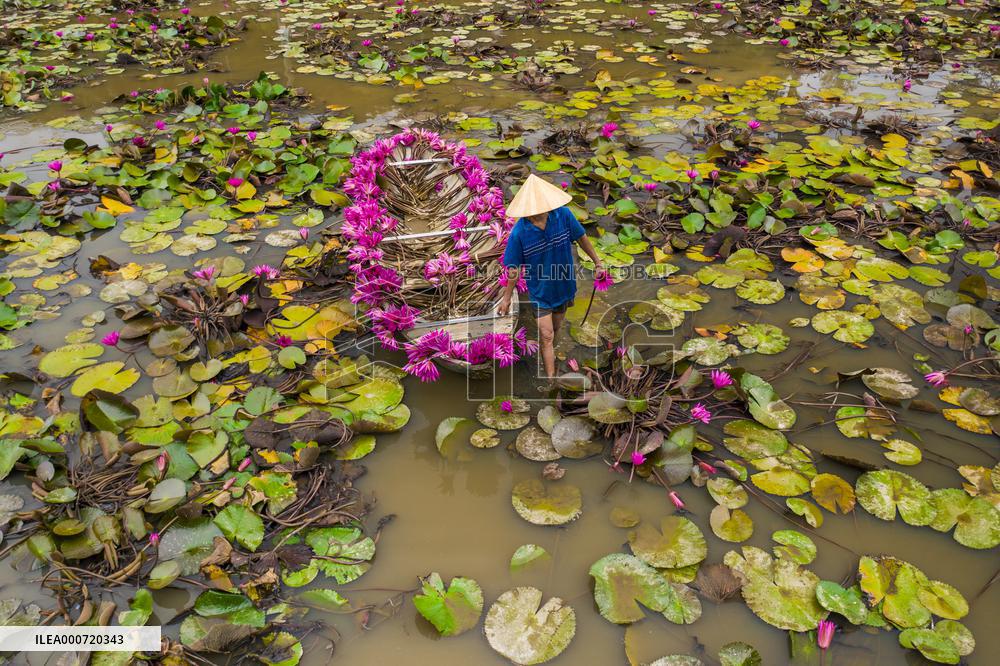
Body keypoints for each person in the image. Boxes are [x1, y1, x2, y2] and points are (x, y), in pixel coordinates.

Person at [498, 174, 605, 380]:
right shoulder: (519, 233)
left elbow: (582, 237)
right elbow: (513, 268)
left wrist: (597, 262)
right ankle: (551, 380)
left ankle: (550, 355)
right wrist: (506, 297)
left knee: (555, 329)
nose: (534, 213)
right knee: (547, 335)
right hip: (540, 291)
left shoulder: (563, 215)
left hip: (563, 285)